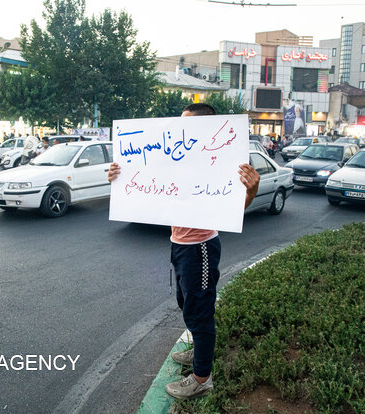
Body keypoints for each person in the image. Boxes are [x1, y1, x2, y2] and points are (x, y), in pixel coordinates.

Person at [107, 103, 260, 400]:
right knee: (186, 302)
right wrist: (118, 176)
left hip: (200, 248)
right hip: (180, 245)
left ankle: (202, 378)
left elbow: (234, 208)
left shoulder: (221, 162)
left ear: (201, 128)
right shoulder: (179, 159)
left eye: (186, 125)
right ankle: (199, 352)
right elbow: (146, 181)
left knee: (199, 313)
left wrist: (251, 191)